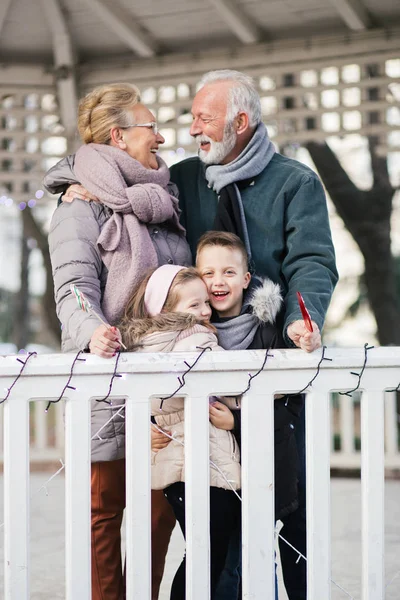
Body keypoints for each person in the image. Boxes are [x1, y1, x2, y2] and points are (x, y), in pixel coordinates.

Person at [169, 70, 338, 599]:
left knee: (296, 506)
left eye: (205, 116)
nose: (193, 126)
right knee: (217, 517)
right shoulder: (183, 179)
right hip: (207, 372)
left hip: (277, 366)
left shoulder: (296, 181)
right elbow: (129, 186)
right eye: (193, 115)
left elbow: (312, 260)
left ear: (240, 121)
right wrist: (78, 184)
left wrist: (302, 318)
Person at [46, 83, 191, 600]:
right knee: (102, 515)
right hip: (106, 379)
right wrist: (93, 333)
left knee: (158, 515)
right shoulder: (78, 208)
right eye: (151, 126)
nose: (162, 135)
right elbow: (73, 290)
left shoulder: (163, 202)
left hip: (162, 387)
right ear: (119, 135)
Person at [118, 264, 242, 600]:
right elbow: (234, 383)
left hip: (175, 466)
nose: (205, 311)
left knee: (201, 551)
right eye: (194, 305)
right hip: (205, 460)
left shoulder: (143, 345)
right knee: (207, 553)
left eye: (205, 302)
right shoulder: (197, 339)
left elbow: (147, 401)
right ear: (166, 310)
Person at [196, 231, 307, 599]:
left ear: (246, 279)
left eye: (228, 272)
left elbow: (287, 406)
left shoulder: (270, 330)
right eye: (208, 273)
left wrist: (238, 422)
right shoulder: (190, 330)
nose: (217, 281)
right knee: (219, 556)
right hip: (213, 465)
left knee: (259, 551)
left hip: (265, 460)